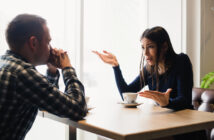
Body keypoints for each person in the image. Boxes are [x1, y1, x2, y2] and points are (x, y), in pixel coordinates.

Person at [93, 26, 207, 140]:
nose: (145, 53)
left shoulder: (181, 61)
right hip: (164, 125)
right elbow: (126, 93)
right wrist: (115, 66)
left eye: (150, 47)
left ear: (164, 46)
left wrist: (167, 102)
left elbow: (184, 100)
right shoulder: (149, 69)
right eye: (143, 48)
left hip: (186, 130)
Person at [0, 14, 87, 140]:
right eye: (48, 42)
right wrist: (67, 68)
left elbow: (43, 101)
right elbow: (77, 109)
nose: (51, 49)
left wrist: (52, 72)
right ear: (33, 43)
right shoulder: (22, 73)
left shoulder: (6, 64)